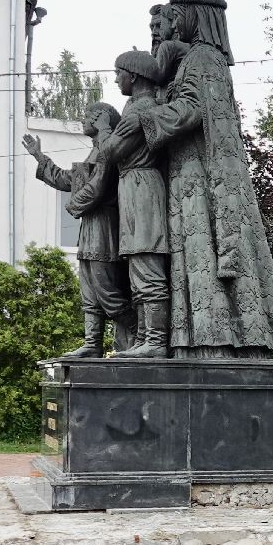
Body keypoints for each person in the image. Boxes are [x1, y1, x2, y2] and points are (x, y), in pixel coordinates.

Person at [115, 0, 273, 357]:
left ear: (196, 15)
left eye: (179, 16)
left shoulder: (204, 58)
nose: (174, 23)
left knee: (206, 249)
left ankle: (218, 341)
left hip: (203, 173)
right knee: (194, 252)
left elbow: (193, 108)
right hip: (188, 170)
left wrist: (145, 117)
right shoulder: (195, 57)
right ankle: (194, 341)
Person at [70, 51, 173, 357]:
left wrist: (105, 128)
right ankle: (143, 340)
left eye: (119, 73)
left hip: (142, 188)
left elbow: (110, 152)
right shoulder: (134, 106)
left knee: (146, 261)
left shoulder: (142, 107)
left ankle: (155, 341)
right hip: (132, 187)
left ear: (134, 75)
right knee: (136, 269)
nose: (116, 79)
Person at [24, 105, 129, 357]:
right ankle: (92, 344)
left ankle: (139, 331)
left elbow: (97, 187)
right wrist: (40, 157)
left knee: (106, 290)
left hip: (104, 227)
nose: (83, 119)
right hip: (89, 227)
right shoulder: (95, 151)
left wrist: (73, 205)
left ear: (101, 119)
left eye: (88, 115)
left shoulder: (107, 149)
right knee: (89, 291)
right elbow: (68, 180)